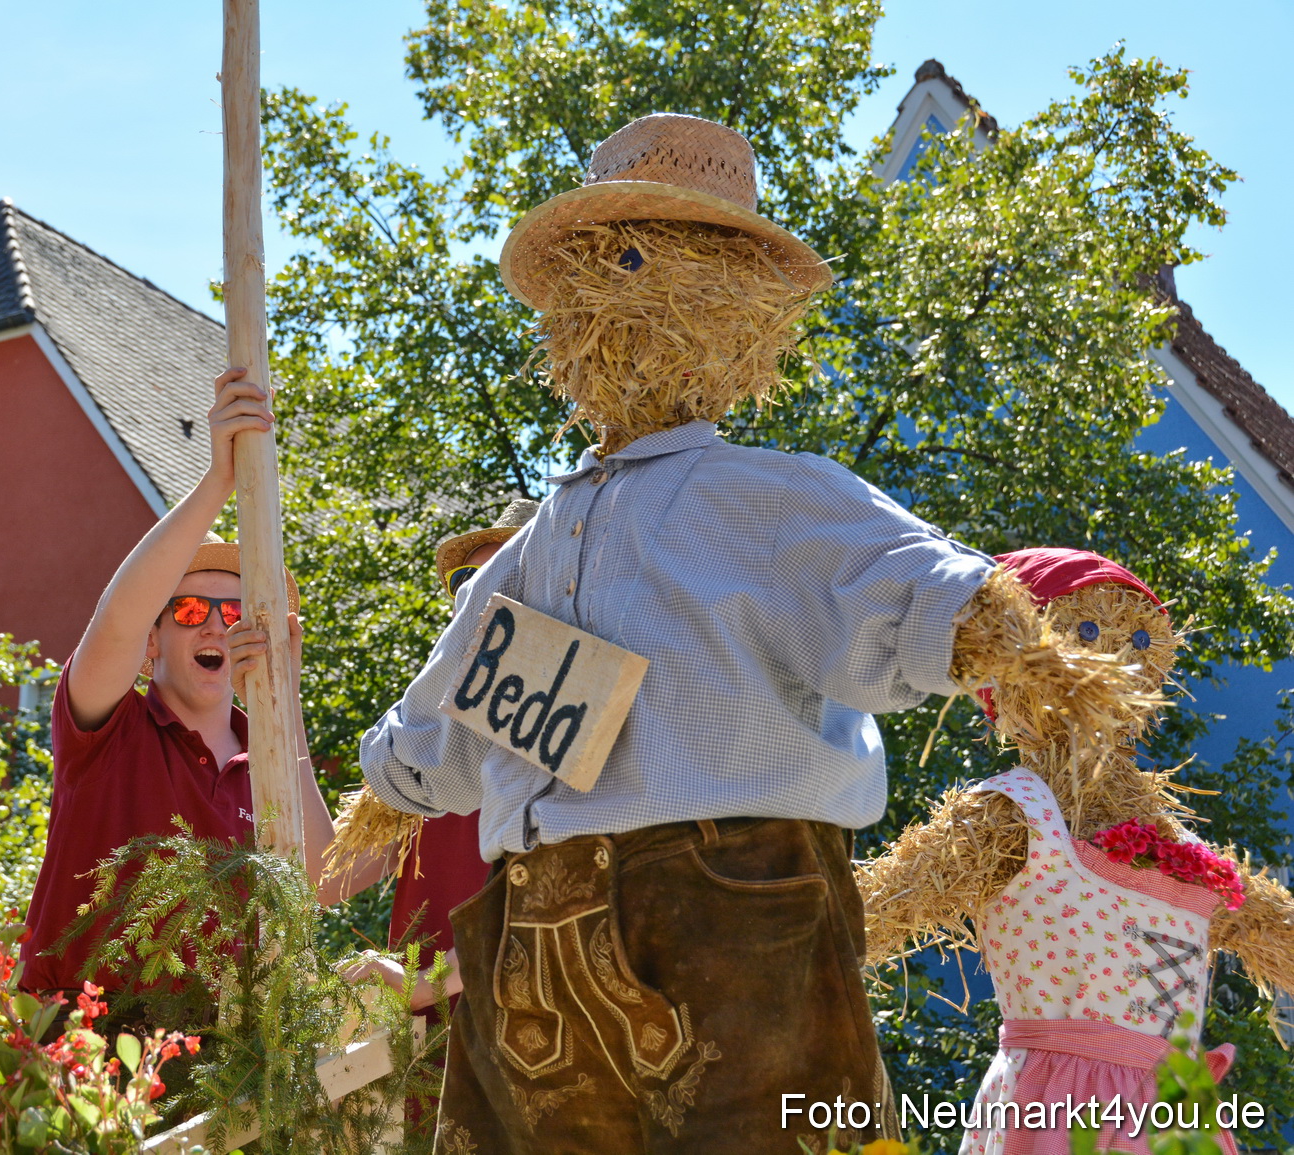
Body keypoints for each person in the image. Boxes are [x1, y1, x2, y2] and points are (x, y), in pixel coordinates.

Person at [354, 114, 1142, 1154]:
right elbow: (456, 701)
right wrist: (395, 778)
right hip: (539, 923)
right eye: (591, 271)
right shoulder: (541, 538)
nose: (609, 297)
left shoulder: (766, 496)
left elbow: (910, 580)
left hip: (728, 899)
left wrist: (1005, 638)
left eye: (637, 261)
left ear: (738, 307)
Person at [858, 548, 1294, 1155]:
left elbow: (1277, 933)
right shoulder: (1015, 815)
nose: (1121, 654)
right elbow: (864, 918)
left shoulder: (1188, 849)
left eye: (1143, 638)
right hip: (1060, 1108)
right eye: (1087, 629)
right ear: (1017, 652)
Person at [20, 367, 339, 1021]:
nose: (217, 623)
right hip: (84, 1051)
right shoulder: (110, 731)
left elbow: (322, 878)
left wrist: (283, 707)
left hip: (220, 1073)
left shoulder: (267, 761)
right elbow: (114, 620)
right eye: (191, 609)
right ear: (152, 644)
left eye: (235, 611)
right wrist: (218, 480)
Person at [338, 499, 542, 1013]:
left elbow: (561, 905)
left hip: (529, 1055)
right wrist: (280, 689)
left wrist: (427, 983)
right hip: (420, 1060)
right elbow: (327, 881)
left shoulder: (574, 726)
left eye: (503, 574)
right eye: (467, 581)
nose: (478, 596)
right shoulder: (421, 740)